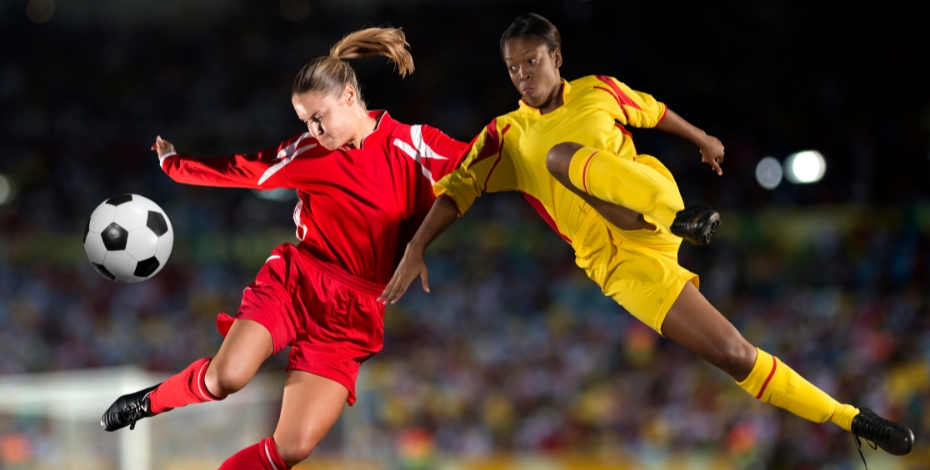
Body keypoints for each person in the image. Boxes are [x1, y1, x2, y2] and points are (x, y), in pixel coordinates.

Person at [378, 12, 914, 460]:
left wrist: (703, 138)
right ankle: (852, 418)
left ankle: (679, 217)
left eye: (531, 61)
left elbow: (654, 112)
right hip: (620, 267)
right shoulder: (505, 136)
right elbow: (458, 189)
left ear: (556, 56)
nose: (522, 75)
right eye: (512, 67)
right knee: (734, 354)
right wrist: (417, 245)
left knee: (561, 156)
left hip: (653, 203)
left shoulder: (599, 91)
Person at [100, 27, 468, 469]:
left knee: (290, 448)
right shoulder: (309, 151)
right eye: (306, 120)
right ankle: (148, 402)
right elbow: (244, 170)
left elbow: (483, 163)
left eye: (319, 117)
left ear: (350, 96)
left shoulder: (416, 146)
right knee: (225, 378)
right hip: (299, 281)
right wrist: (174, 165)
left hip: (354, 312)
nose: (314, 129)